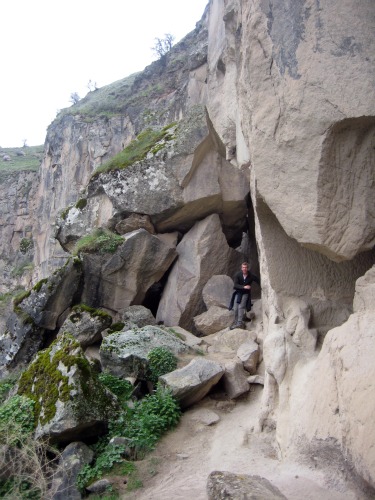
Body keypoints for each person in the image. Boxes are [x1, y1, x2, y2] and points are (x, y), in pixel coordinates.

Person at [229, 262, 260, 330]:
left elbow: (258, 280)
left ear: (247, 268)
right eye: (243, 267)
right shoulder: (238, 275)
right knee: (236, 308)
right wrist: (244, 287)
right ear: (241, 268)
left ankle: (239, 323)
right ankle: (236, 322)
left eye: (246, 267)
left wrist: (262, 288)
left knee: (241, 307)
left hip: (246, 293)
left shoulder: (251, 275)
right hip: (238, 293)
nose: (244, 269)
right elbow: (235, 285)